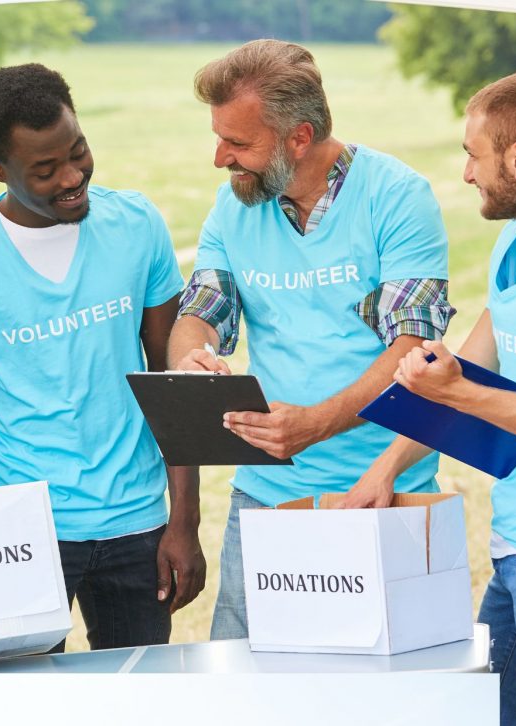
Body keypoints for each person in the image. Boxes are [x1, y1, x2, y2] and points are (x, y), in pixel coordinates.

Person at [0, 63, 206, 652]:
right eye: (45, 170)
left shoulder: (136, 224)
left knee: (138, 697)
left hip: (138, 525)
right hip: (22, 532)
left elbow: (171, 377)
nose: (73, 177)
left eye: (79, 152)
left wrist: (185, 519)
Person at [167, 40, 455, 640]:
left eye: (239, 143)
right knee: (247, 689)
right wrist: (190, 359)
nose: (220, 156)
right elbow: (201, 309)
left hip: (381, 491)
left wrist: (317, 422)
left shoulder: (398, 197)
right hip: (266, 498)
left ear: (299, 137)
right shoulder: (233, 204)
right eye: (219, 137)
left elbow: (413, 349)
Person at [344, 70, 516, 726]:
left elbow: (465, 390)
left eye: (473, 153)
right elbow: (466, 374)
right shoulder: (515, 247)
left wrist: (458, 388)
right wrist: (383, 470)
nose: (465, 173)